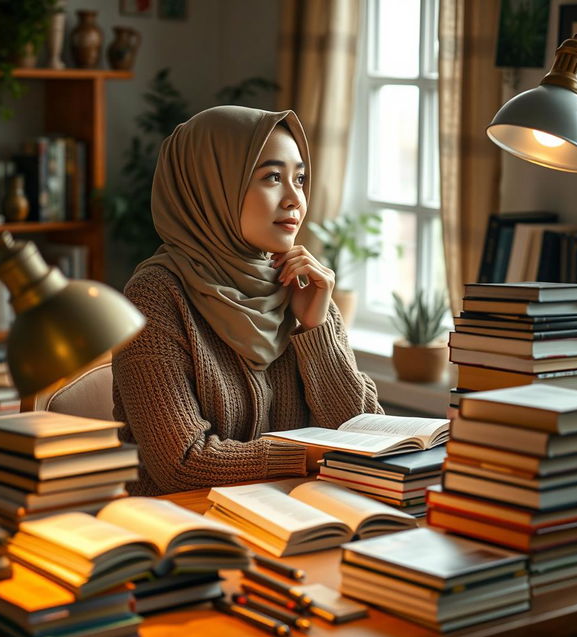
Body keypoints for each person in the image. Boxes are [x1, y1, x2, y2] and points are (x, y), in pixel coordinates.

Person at [113, 105, 381, 496]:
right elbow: (183, 464)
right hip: (190, 535)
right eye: (273, 177)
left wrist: (316, 328)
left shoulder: (301, 284)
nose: (295, 199)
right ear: (212, 185)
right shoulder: (154, 297)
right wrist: (310, 454)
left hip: (296, 517)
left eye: (300, 179)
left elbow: (365, 432)